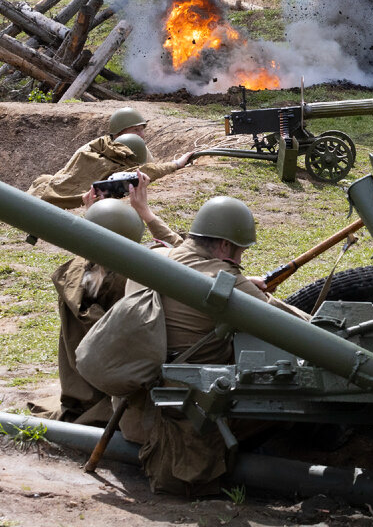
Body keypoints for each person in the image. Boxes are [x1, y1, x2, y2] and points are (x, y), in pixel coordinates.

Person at [118, 196, 308, 494]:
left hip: (137, 408)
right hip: (189, 419)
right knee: (295, 399)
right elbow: (300, 330)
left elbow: (184, 253)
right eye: (239, 253)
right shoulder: (230, 284)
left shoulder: (155, 258)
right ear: (224, 246)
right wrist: (244, 286)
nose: (240, 261)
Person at [48, 173, 184, 425]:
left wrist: (91, 217)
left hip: (91, 390)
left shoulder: (79, 276)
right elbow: (188, 259)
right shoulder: (147, 270)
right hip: (133, 386)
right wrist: (145, 211)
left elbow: (90, 264)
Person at [27, 107, 194, 209]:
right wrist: (176, 164)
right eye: (136, 130)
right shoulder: (90, 149)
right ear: (119, 132)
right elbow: (146, 171)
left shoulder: (104, 144)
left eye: (142, 129)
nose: (142, 135)